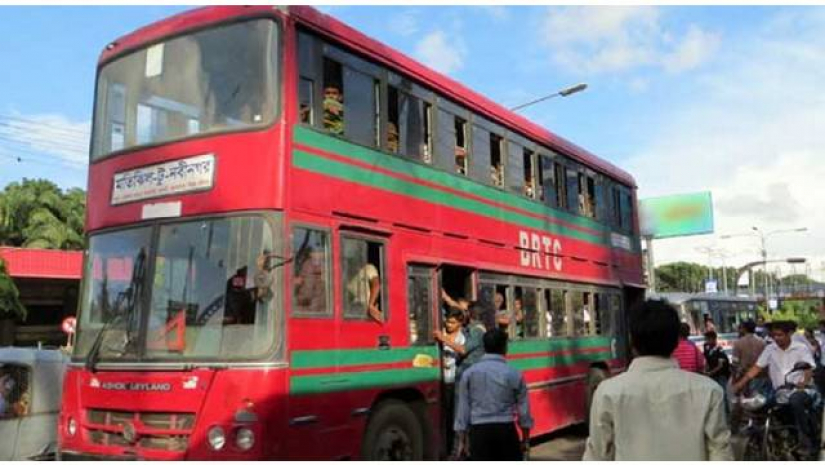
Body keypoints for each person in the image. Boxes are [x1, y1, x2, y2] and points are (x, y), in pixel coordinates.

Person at [583, 299, 733, 460]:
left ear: (631, 340)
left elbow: (597, 456)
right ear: (676, 341)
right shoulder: (709, 391)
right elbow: (721, 453)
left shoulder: (607, 393)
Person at [733, 320, 818, 455]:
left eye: (780, 335)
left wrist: (803, 382)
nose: (777, 338)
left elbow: (808, 368)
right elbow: (756, 368)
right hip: (779, 392)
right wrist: (740, 384)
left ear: (789, 334)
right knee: (760, 404)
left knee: (796, 401)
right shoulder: (770, 349)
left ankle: (806, 441)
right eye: (774, 335)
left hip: (801, 390)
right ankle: (773, 438)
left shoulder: (800, 348)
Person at [454, 329, 533, 460]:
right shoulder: (514, 374)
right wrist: (525, 440)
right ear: (505, 348)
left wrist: (462, 441)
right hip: (506, 431)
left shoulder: (469, 373)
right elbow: (524, 411)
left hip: (479, 433)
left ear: (484, 347)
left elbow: (463, 410)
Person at [433, 309, 466, 457]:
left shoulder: (461, 338)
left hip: (453, 381)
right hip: (442, 380)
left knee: (453, 415)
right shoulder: (442, 333)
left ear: (460, 323)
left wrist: (444, 339)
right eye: (447, 321)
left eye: (453, 322)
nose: (449, 325)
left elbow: (462, 350)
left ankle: (455, 449)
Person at [703, 331, 731, 418]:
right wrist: (706, 370)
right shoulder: (707, 349)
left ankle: (726, 413)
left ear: (714, 339)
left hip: (721, 375)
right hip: (712, 375)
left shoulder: (719, 350)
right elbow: (706, 361)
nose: (707, 341)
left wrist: (710, 373)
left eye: (708, 339)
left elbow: (720, 365)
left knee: (723, 394)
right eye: (706, 339)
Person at [293, 247, 327, 314]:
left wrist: (295, 299)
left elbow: (308, 292)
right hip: (323, 309)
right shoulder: (326, 265)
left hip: (311, 310)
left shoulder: (308, 265)